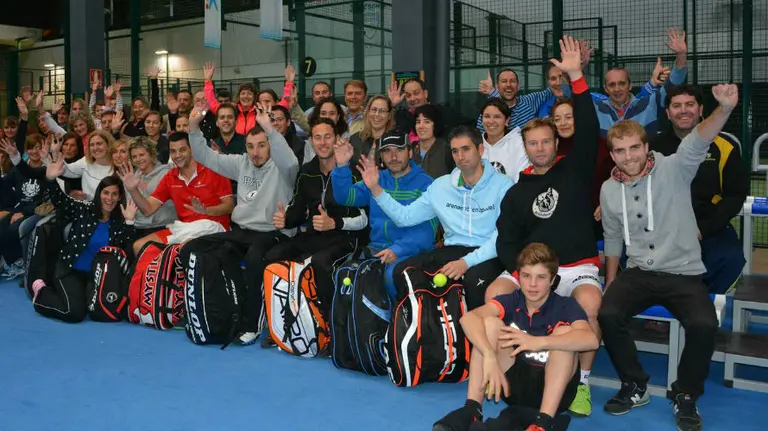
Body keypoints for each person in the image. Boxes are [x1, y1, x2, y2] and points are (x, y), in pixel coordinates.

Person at [598, 84, 739, 431]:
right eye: (619, 151)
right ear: (612, 154)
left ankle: (685, 394)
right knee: (608, 312)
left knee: (704, 324)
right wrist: (612, 281)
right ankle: (635, 384)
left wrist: (724, 109)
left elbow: (700, 139)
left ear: (647, 148)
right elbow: (613, 238)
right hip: (638, 273)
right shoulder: (608, 189)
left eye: (634, 148)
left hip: (682, 272)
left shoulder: (675, 167)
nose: (628, 156)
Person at [491, 36, 603, 417]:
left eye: (545, 142)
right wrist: (521, 276)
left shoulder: (575, 170)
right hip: (535, 273)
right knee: (493, 292)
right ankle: (504, 371)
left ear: (557, 142)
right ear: (525, 147)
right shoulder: (516, 192)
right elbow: (506, 241)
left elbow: (589, 129)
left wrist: (576, 76)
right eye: (532, 143)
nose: (539, 148)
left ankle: (583, 384)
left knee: (589, 308)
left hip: (579, 268)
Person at [433, 242, 599, 431]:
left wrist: (539, 342)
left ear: (552, 280)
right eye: (526, 276)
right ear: (518, 277)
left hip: (554, 392)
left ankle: (543, 422)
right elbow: (468, 319)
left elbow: (591, 340)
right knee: (488, 323)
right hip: (513, 387)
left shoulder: (565, 306)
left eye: (541, 277)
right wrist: (489, 355)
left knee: (564, 334)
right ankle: (472, 409)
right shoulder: (512, 300)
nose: (533, 284)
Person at [358, 125, 513, 309]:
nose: (460, 157)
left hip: (488, 252)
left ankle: (468, 336)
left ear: (480, 150)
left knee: (472, 283)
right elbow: (405, 217)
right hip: (452, 249)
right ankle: (420, 331)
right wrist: (376, 188)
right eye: (455, 151)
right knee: (403, 272)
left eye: (466, 149)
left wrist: (466, 262)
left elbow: (502, 236)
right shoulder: (442, 186)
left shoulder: (503, 185)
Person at [187, 102, 299, 345]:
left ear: (270, 144)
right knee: (194, 249)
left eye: (261, 145)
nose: (255, 152)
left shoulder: (283, 168)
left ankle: (252, 324)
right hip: (241, 231)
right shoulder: (241, 163)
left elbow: (290, 162)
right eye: (250, 146)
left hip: (273, 232)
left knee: (254, 258)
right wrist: (193, 128)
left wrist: (271, 130)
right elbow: (205, 156)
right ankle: (227, 313)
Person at [265, 118, 369, 346]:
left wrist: (335, 223)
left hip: (347, 238)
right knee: (274, 257)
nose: (323, 143)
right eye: (317, 138)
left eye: (328, 137)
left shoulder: (352, 171)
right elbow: (297, 209)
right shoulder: (307, 172)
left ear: (337, 139)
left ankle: (333, 330)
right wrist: (285, 219)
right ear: (310, 141)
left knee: (322, 263)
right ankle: (283, 325)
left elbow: (364, 218)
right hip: (314, 235)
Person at [651, 85, 748, 294]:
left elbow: (735, 196)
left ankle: (704, 310)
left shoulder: (725, 146)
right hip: (663, 229)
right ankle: (660, 313)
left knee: (729, 259)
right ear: (668, 113)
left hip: (708, 229)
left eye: (690, 104)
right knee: (630, 254)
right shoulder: (652, 147)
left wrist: (703, 229)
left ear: (701, 109)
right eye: (676, 106)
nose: (683, 110)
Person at [30, 153, 137, 323]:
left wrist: (130, 222)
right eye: (106, 193)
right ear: (99, 194)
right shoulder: (83, 209)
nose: (109, 198)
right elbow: (61, 201)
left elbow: (127, 250)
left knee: (98, 311)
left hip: (96, 277)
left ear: (119, 197)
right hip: (70, 269)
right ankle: (42, 292)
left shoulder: (119, 221)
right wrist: (50, 180)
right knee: (74, 313)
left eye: (114, 194)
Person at [332, 130, 436, 299]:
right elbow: (345, 197)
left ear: (410, 152)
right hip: (377, 248)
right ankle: (359, 323)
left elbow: (426, 232)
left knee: (390, 277)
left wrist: (398, 249)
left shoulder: (427, 184)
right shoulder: (377, 178)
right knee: (347, 272)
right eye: (387, 151)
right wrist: (342, 166)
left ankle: (397, 322)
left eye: (399, 150)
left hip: (411, 251)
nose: (393, 156)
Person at [120, 132, 234, 255]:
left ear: (192, 150)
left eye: (182, 150)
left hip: (214, 227)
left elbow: (229, 206)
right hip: (184, 228)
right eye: (173, 151)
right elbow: (148, 209)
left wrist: (206, 211)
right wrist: (132, 189)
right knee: (139, 246)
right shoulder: (170, 177)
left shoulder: (213, 170)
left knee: (185, 248)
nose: (177, 155)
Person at [126, 137, 177, 238]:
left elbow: (148, 210)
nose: (138, 159)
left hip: (162, 226)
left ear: (151, 154)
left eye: (142, 155)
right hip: (137, 227)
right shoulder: (131, 177)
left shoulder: (166, 174)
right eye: (134, 157)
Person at [479, 99, 530, 182]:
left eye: (497, 117)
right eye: (487, 116)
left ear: (507, 120)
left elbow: (522, 180)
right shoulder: (475, 144)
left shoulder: (520, 144)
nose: (491, 121)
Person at [411, 104, 455, 179]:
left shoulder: (447, 149)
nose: (421, 126)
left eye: (426, 122)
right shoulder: (411, 149)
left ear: (435, 124)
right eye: (418, 122)